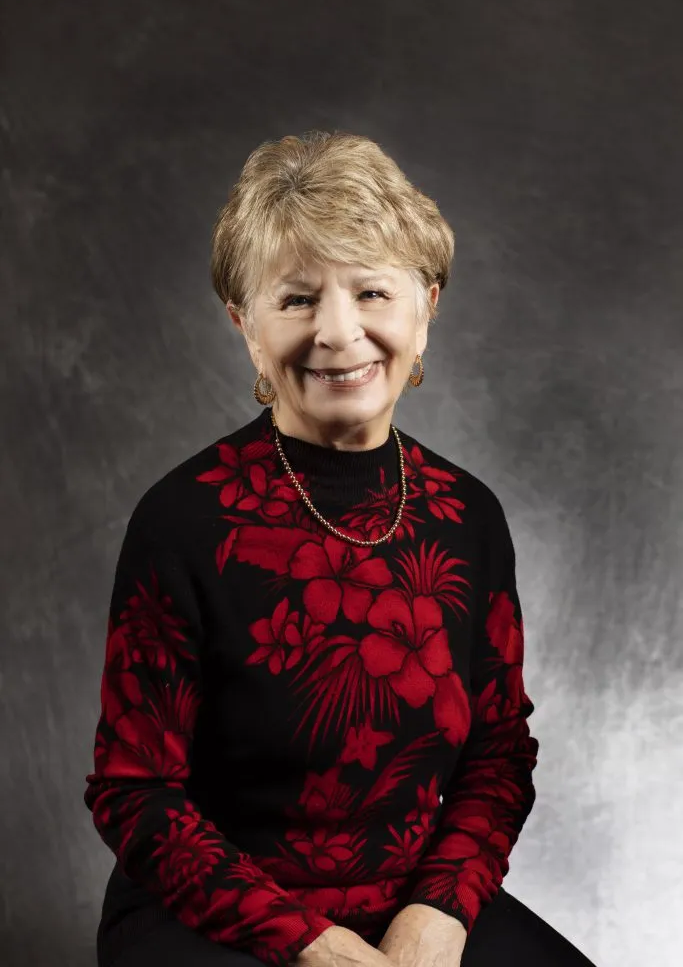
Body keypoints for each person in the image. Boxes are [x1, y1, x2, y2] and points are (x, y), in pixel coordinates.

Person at [84, 129, 597, 967]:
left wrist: (438, 913)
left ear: (425, 308)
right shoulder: (180, 521)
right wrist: (310, 945)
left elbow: (498, 755)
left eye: (370, 293)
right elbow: (133, 792)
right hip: (213, 920)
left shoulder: (468, 516)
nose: (336, 331)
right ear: (245, 325)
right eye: (295, 299)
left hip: (414, 913)